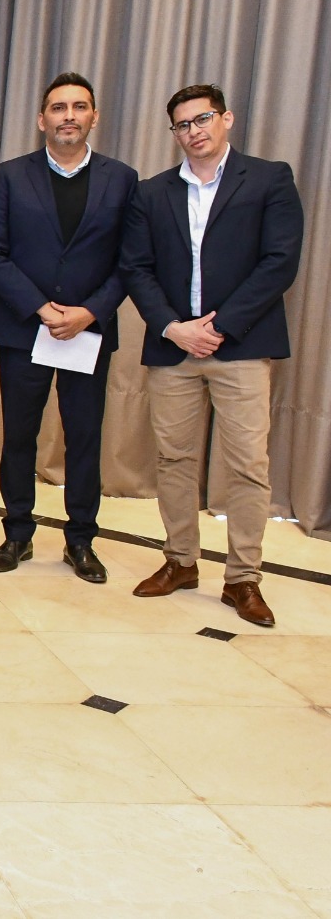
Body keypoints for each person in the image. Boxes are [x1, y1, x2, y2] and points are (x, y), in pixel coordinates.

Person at [121, 84, 303, 627]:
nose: (193, 131)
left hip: (241, 345)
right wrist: (175, 328)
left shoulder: (269, 179)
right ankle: (180, 562)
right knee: (173, 460)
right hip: (174, 346)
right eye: (182, 124)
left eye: (202, 119)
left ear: (227, 119)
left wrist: (217, 328)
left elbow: (279, 261)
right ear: (174, 133)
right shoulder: (151, 193)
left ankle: (243, 578)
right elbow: (136, 267)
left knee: (247, 465)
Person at [0, 72, 138, 582]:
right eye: (59, 108)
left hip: (88, 330)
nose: (69, 116)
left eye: (79, 107)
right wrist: (41, 309)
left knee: (84, 437)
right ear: (42, 119)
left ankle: (81, 540)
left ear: (94, 117)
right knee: (19, 435)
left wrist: (89, 312)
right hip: (25, 328)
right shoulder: (10, 175)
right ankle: (17, 533)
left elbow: (131, 260)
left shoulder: (122, 179)